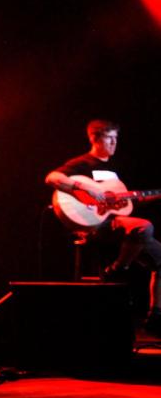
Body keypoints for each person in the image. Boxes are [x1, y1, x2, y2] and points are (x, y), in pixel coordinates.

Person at [45, 119, 161, 335]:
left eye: (116, 138)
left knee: (158, 253)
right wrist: (85, 186)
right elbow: (52, 178)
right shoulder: (82, 163)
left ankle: (155, 316)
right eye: (109, 138)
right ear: (94, 139)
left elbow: (120, 200)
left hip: (118, 225)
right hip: (96, 225)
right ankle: (117, 270)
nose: (114, 143)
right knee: (144, 226)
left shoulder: (115, 168)